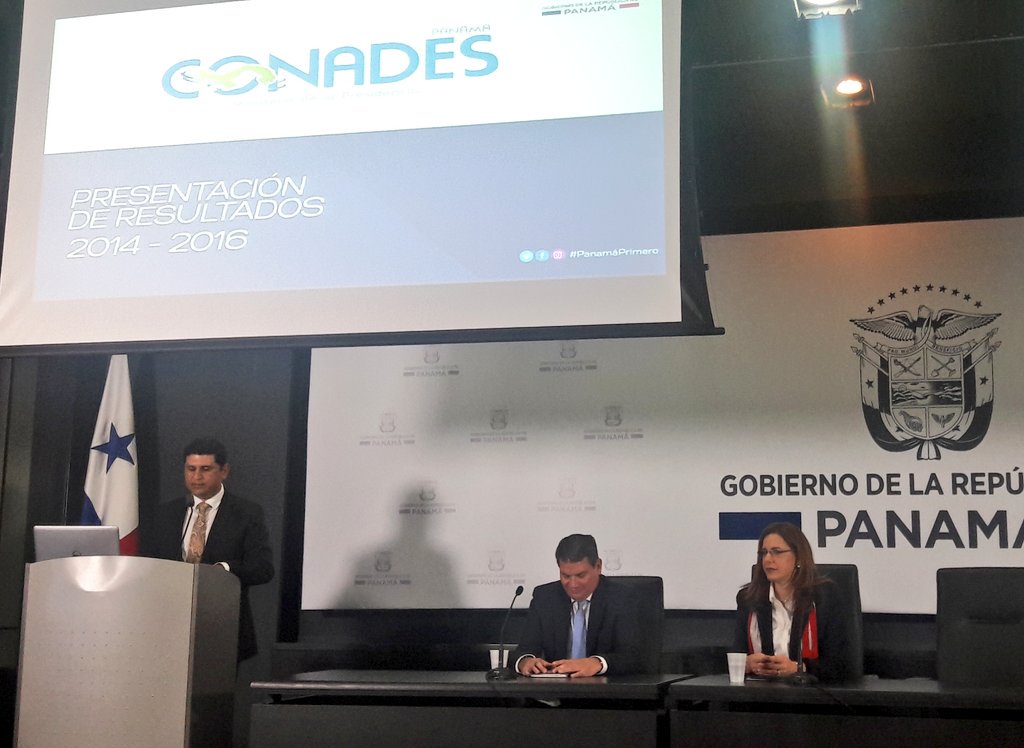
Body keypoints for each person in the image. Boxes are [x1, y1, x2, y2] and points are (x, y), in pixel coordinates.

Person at [146, 437, 274, 661]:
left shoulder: (246, 513)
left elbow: (262, 569)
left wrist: (224, 570)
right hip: (169, 626)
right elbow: (149, 564)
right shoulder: (167, 513)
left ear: (224, 471)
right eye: (191, 469)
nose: (196, 477)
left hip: (222, 624)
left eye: (205, 469)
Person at [734, 522, 858, 683]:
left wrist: (799, 668)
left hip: (810, 694)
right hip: (760, 692)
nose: (768, 559)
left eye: (777, 552)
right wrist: (745, 664)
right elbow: (735, 653)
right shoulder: (748, 599)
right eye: (764, 553)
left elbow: (842, 665)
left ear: (799, 557)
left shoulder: (824, 596)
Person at [512, 533, 642, 677]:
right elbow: (522, 651)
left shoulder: (621, 598)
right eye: (566, 576)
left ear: (598, 566)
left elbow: (633, 656)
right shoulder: (545, 597)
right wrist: (525, 661)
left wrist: (597, 663)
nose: (573, 584)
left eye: (581, 576)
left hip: (604, 688)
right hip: (555, 688)